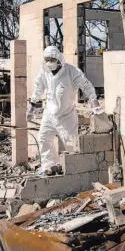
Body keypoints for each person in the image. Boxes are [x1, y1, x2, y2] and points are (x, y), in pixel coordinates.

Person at [28, 46, 102, 176]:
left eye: (52, 59)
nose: (49, 62)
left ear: (58, 59)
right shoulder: (44, 72)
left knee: (70, 144)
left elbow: (86, 85)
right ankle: (48, 166)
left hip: (66, 115)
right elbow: (37, 88)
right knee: (44, 138)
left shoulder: (71, 71)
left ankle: (73, 170)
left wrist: (93, 101)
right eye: (47, 59)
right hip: (49, 114)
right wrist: (32, 106)